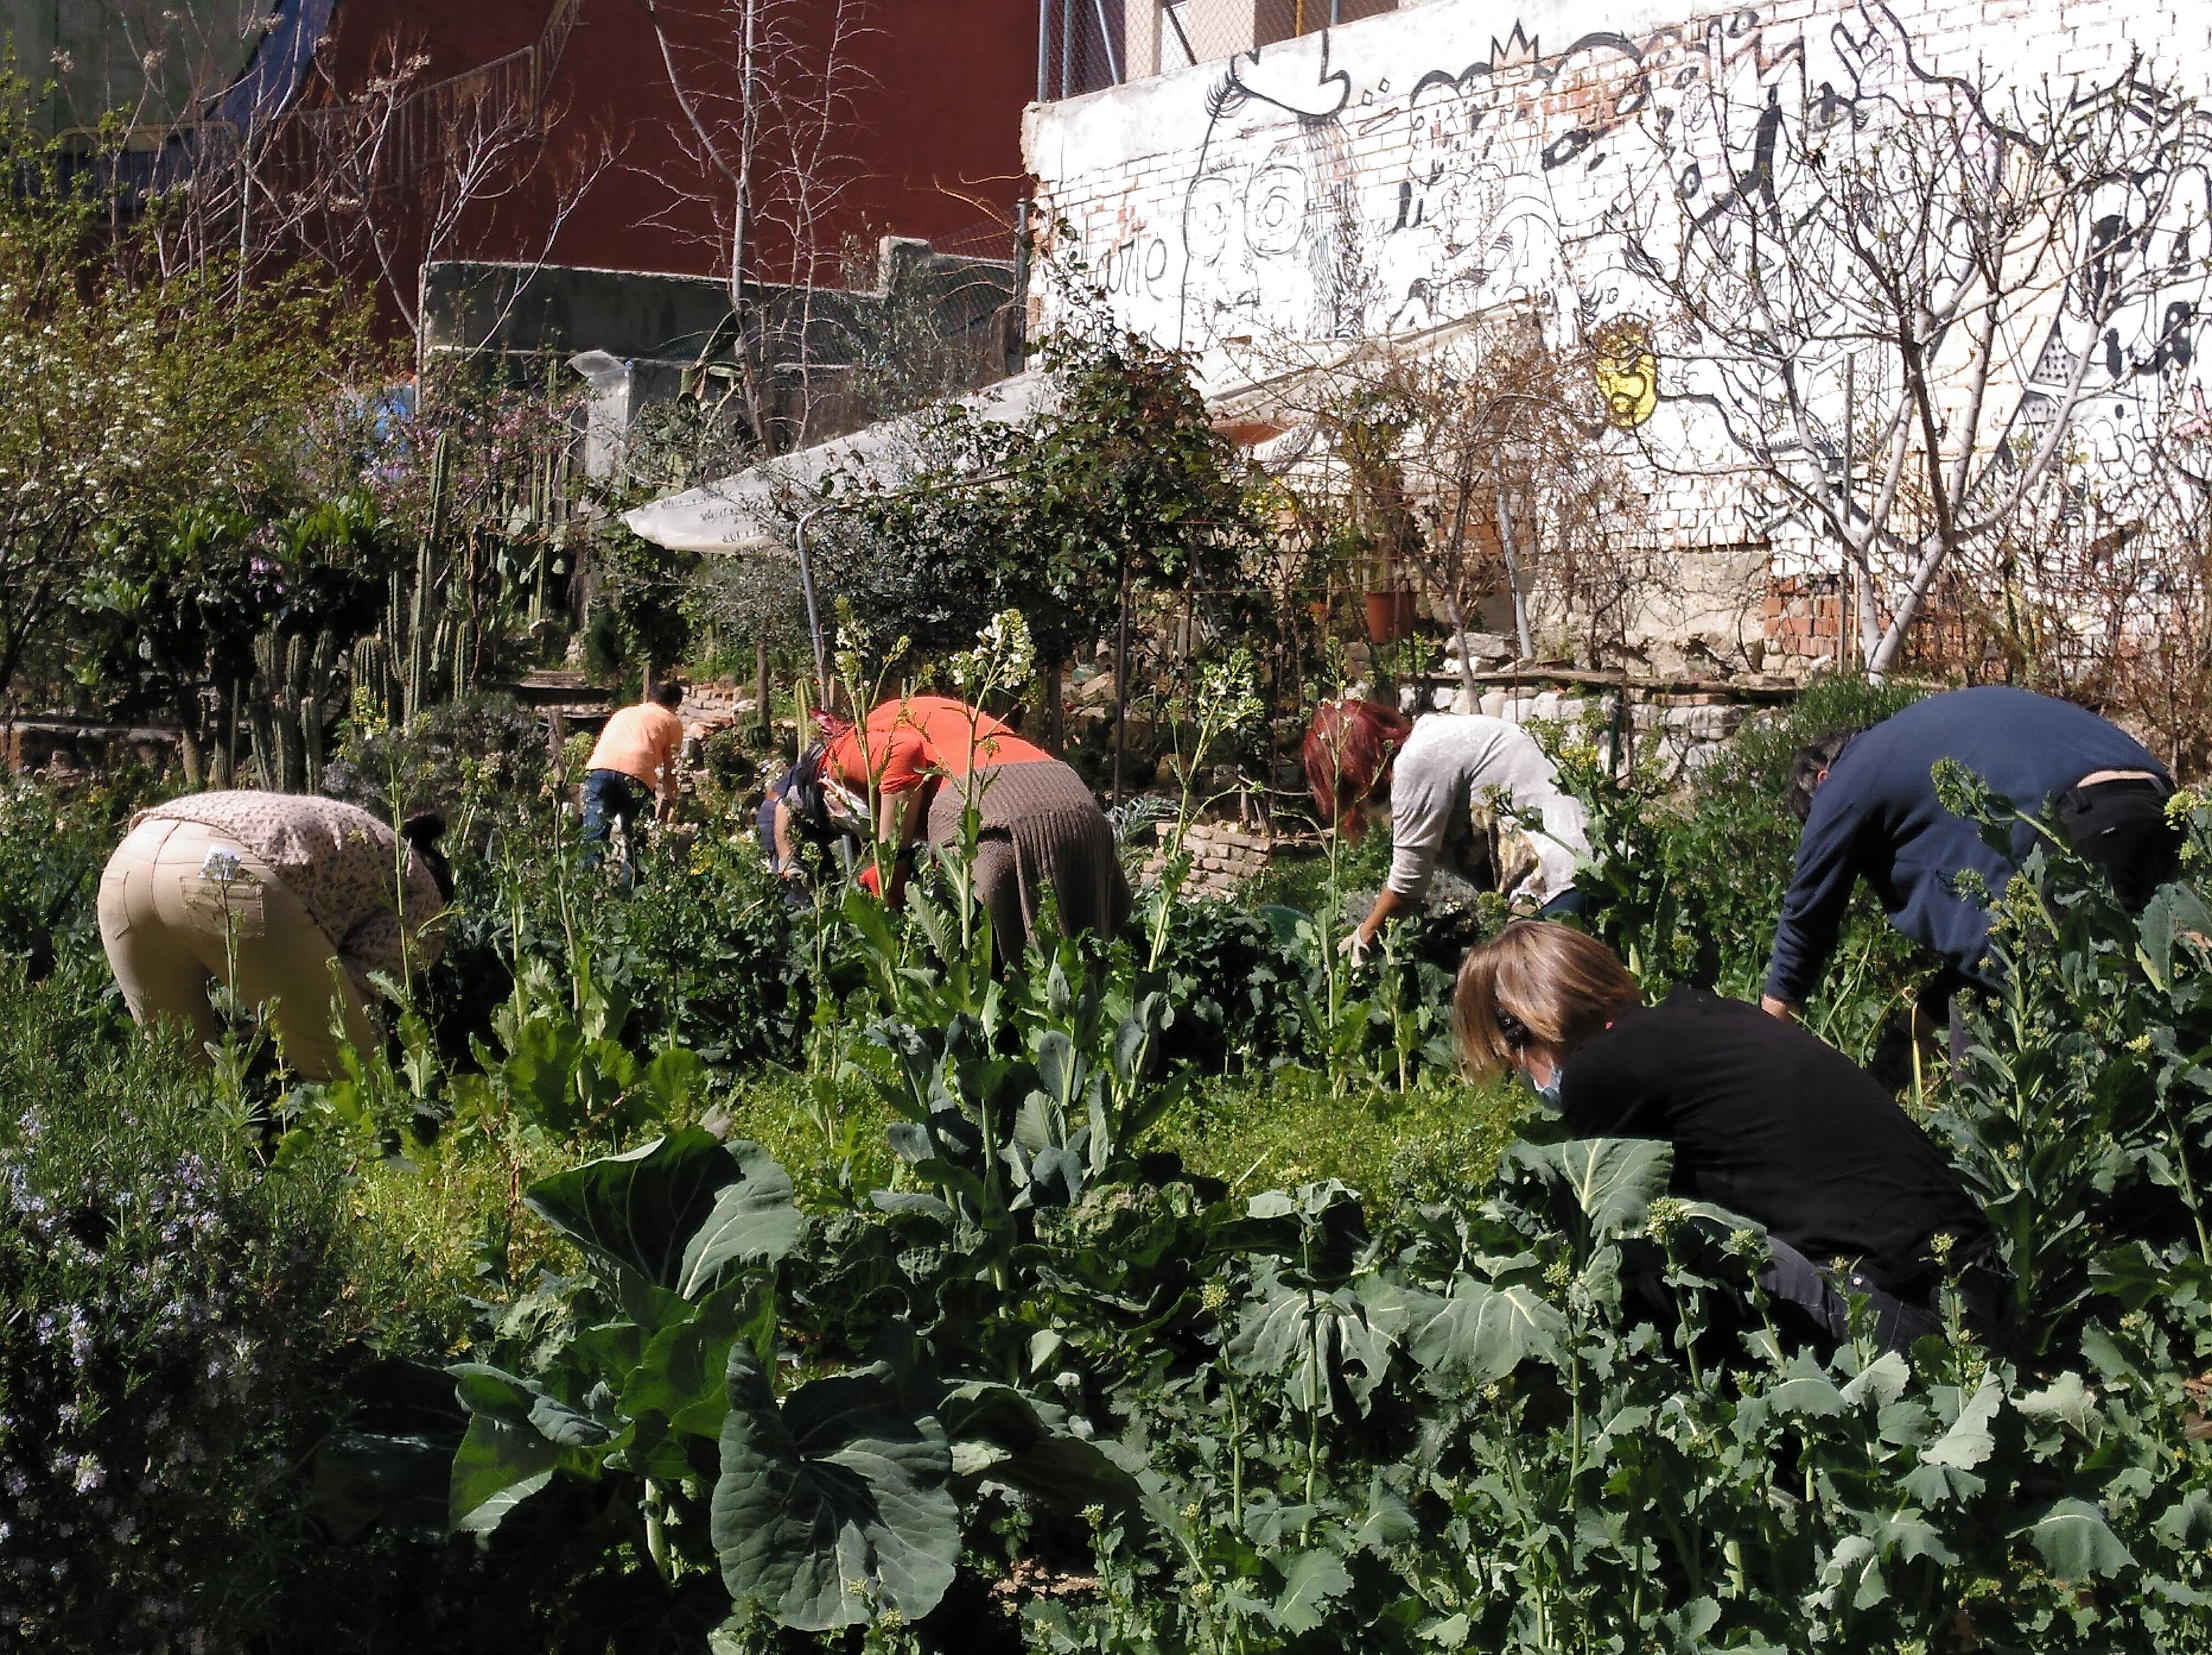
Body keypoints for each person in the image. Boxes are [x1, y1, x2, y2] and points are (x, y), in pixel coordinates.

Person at [1455, 921, 2002, 1352]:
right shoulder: (1698, 1015)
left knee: (1656, 1260)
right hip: (1979, 1284)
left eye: (1512, 1063)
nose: (1525, 1079)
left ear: (1523, 1028)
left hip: (1910, 1312)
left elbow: (1607, 1235)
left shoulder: (1604, 1072)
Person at [1762, 686, 2180, 1037]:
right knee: (2166, 997)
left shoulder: (1847, 778)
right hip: (2155, 808)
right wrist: (1920, 1023)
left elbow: (1805, 923)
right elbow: (1999, 943)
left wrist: (1763, 1045)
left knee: (2097, 1032)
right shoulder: (1921, 746)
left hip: (2077, 829)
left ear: (1822, 779)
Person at [97, 792, 450, 1082]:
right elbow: (357, 986)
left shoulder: (369, 838)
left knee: (181, 1082)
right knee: (353, 1077)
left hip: (131, 861)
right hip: (224, 871)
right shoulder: (424, 896)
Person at [822, 694, 1129, 958]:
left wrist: (891, 866)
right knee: (1087, 973)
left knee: (974, 975)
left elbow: (903, 754)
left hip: (989, 808)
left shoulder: (837, 754)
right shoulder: (905, 714)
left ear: (826, 790)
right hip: (1071, 792)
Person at [1304, 699, 1592, 964]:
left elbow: (1407, 884)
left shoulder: (1417, 760)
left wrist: (1363, 941)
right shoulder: (1436, 739)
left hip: (1559, 881)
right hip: (1586, 868)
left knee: (1520, 1001)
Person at [580, 680, 686, 877]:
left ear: (648, 698)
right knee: (635, 840)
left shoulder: (624, 713)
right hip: (637, 775)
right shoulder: (671, 721)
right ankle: (631, 894)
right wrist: (673, 798)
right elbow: (672, 767)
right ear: (674, 705)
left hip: (598, 770)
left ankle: (585, 891)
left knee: (594, 835)